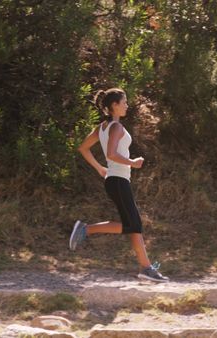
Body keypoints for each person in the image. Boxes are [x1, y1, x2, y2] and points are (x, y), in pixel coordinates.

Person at [69, 88, 168, 283]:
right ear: (114, 105)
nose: (127, 105)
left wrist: (100, 169)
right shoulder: (115, 127)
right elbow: (112, 154)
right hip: (118, 180)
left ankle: (145, 268)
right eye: (124, 102)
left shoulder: (102, 128)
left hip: (115, 180)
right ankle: (86, 230)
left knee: (133, 225)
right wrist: (134, 162)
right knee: (134, 224)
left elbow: (83, 148)